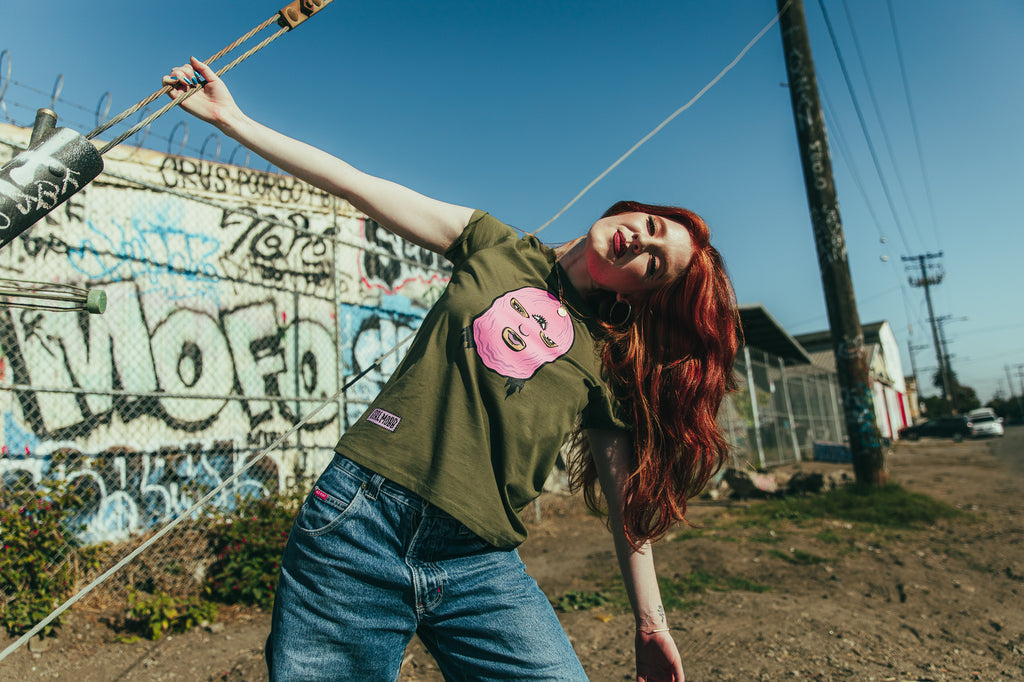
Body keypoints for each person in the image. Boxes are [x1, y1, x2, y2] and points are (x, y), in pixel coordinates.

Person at [165, 56, 740, 682]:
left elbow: (627, 498)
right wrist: (232, 119)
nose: (641, 241)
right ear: (630, 210)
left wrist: (651, 624)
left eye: (655, 263)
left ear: (636, 297)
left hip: (479, 562)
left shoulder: (605, 355)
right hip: (359, 525)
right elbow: (355, 182)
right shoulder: (492, 242)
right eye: (651, 226)